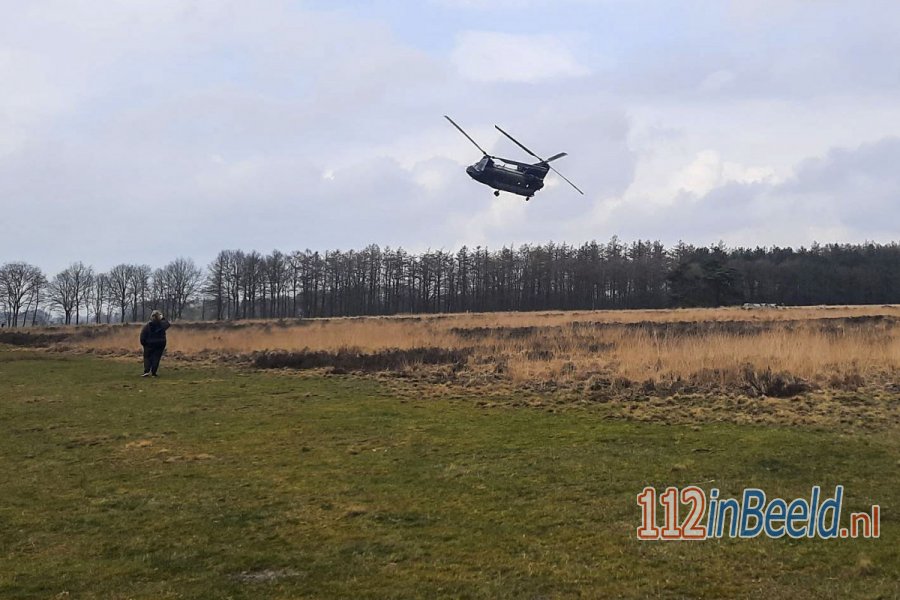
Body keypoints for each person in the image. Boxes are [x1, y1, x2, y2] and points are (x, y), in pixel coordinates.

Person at [140, 310, 170, 377]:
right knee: (156, 357)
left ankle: (146, 371)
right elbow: (167, 324)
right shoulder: (161, 325)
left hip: (149, 344)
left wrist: (144, 344)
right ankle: (154, 372)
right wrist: (163, 318)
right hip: (160, 344)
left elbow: (142, 335)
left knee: (147, 357)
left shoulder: (147, 326)